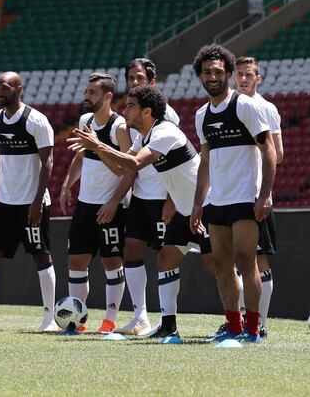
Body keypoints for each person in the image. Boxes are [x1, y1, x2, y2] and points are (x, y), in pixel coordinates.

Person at [68, 84, 212, 343]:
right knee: (166, 260)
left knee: (218, 265)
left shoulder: (164, 132)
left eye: (131, 106)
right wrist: (98, 148)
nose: (125, 111)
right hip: (184, 210)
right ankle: (169, 326)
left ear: (147, 112)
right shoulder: (142, 136)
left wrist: (98, 144)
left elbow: (134, 163)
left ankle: (246, 322)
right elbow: (124, 168)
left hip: (207, 207)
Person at [190, 44, 277, 344]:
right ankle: (233, 325)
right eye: (207, 72)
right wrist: (198, 203)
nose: (212, 76)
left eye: (218, 71)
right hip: (217, 201)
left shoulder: (245, 106)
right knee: (221, 264)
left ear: (228, 74)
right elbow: (204, 160)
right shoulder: (201, 115)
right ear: (200, 76)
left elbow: (269, 151)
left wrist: (264, 194)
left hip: (245, 198)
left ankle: (253, 329)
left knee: (245, 259)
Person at [0, 72, 56, 332]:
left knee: (41, 256)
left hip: (32, 203)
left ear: (18, 89)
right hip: (4, 202)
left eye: (4, 88)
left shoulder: (36, 120)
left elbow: (48, 162)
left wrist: (38, 201)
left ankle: (48, 320)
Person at [108, 58, 181, 335]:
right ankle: (141, 316)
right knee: (132, 249)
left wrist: (171, 198)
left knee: (169, 256)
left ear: (152, 82)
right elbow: (130, 161)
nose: (134, 83)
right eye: (130, 78)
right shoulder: (133, 118)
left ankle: (168, 318)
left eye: (139, 78)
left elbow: (174, 159)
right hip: (141, 195)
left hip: (163, 194)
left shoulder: (167, 116)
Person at [59, 73, 132, 334]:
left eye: (92, 92)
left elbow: (126, 169)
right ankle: (77, 320)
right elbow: (81, 156)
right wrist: (68, 184)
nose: (86, 97)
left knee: (111, 262)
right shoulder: (85, 120)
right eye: (86, 92)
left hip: (111, 206)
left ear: (107, 96)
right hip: (85, 203)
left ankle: (110, 320)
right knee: (76, 261)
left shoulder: (119, 127)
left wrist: (114, 201)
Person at [231, 56, 283, 338]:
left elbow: (280, 153)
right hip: (230, 195)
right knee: (234, 261)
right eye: (239, 74)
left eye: (248, 74)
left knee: (258, 260)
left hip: (255, 194)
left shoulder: (266, 108)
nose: (243, 79)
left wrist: (264, 195)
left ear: (258, 78)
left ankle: (259, 321)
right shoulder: (229, 106)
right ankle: (238, 320)